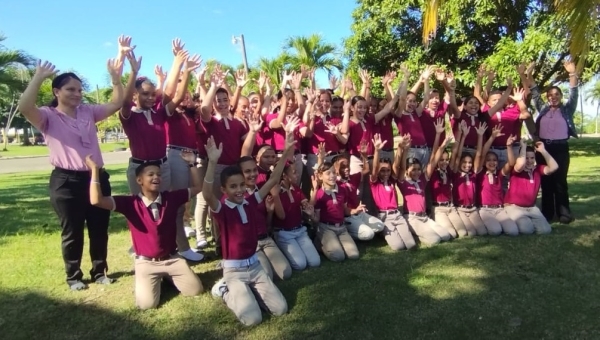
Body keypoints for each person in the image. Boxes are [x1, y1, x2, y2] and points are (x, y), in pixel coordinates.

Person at [18, 56, 125, 290]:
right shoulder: (47, 116)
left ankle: (99, 272)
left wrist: (116, 79)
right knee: (72, 230)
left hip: (97, 178)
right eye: (70, 89)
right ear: (57, 91)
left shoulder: (88, 111)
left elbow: (116, 104)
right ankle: (74, 276)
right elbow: (25, 107)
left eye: (79, 89)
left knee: (99, 228)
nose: (77, 94)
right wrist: (37, 78)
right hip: (66, 181)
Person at [85, 152, 204, 309]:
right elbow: (96, 200)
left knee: (196, 290)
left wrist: (192, 164)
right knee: (146, 305)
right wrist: (94, 170)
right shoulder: (130, 203)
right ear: (139, 180)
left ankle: (169, 277)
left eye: (159, 174)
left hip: (172, 258)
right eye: (151, 174)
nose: (156, 177)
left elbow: (198, 187)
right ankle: (155, 279)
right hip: (146, 263)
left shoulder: (171, 198)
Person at [204, 136, 292, 326]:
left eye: (241, 185)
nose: (239, 190)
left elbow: (274, 179)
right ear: (224, 189)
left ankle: (250, 294)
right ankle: (225, 290)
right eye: (233, 187)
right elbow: (207, 194)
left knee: (280, 309)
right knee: (252, 319)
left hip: (255, 268)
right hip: (234, 271)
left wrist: (285, 153)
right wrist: (212, 162)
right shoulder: (222, 208)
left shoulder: (251, 201)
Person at [530, 60, 579, 224]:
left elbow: (574, 93)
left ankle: (564, 212)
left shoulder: (567, 109)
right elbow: (534, 92)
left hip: (560, 148)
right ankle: (547, 213)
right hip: (544, 147)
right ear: (547, 97)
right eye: (550, 95)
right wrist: (528, 74)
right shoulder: (542, 108)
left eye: (556, 94)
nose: (553, 97)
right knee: (546, 181)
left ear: (560, 96)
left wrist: (572, 73)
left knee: (560, 181)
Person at [395, 134, 453, 246]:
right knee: (434, 240)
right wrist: (404, 150)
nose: (416, 172)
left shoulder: (422, 180)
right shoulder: (403, 182)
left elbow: (433, 162)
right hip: (412, 218)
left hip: (424, 217)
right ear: (407, 171)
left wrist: (443, 145)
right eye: (413, 170)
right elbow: (401, 168)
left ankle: (422, 231)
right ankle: (415, 233)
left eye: (418, 169)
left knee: (445, 236)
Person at [369, 134, 416, 250]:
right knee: (398, 247)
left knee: (411, 245)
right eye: (382, 171)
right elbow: (374, 169)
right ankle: (382, 232)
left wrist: (402, 149)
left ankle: (389, 233)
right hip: (384, 216)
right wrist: (377, 151)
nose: (386, 173)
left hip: (397, 215)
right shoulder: (374, 182)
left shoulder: (391, 181)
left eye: (388, 170)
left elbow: (399, 166)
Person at [272, 164, 321, 271]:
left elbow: (308, 206)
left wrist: (315, 189)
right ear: (284, 175)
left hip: (300, 230)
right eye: (294, 172)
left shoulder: (296, 188)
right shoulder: (275, 192)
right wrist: (275, 196)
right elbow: (281, 216)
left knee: (315, 262)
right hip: (284, 233)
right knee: (300, 265)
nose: (298, 175)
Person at [504, 141, 558, 234]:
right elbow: (521, 164)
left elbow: (554, 167)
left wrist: (543, 150)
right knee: (527, 230)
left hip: (531, 208)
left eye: (532, 158)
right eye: (527, 158)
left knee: (545, 230)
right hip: (514, 207)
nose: (529, 161)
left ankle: (527, 220)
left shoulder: (537, 169)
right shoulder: (516, 170)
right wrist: (523, 147)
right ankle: (511, 220)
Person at [476, 126, 519, 236]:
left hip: (499, 210)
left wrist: (509, 146)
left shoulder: (499, 175)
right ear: (485, 163)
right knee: (496, 231)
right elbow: (481, 154)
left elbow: (511, 164)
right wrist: (492, 137)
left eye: (494, 160)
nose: (492, 162)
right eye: (489, 160)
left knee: (513, 231)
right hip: (485, 210)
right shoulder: (480, 174)